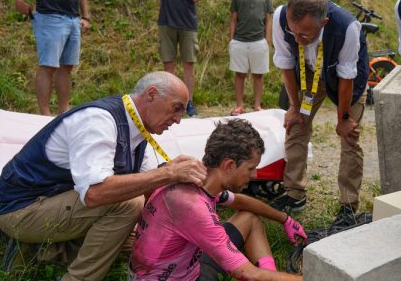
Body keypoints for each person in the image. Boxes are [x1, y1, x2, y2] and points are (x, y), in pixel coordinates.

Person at [0, 71, 207, 281]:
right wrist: (168, 173)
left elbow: (145, 189)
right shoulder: (99, 121)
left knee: (142, 243)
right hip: (20, 209)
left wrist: (180, 185)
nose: (179, 120)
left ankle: (43, 251)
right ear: (151, 94)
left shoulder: (138, 128)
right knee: (128, 206)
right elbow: (95, 194)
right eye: (177, 108)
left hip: (57, 200)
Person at [129, 118, 305, 281]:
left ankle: (272, 275)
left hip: (184, 266)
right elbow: (249, 274)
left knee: (249, 219)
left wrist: (285, 219)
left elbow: (240, 202)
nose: (254, 175)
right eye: (251, 168)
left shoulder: (197, 177)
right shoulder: (193, 207)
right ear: (229, 165)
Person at [270, 0, 369, 226]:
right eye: (293, 32)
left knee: (349, 137)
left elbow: (346, 77)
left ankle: (348, 204)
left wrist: (344, 118)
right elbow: (285, 62)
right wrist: (295, 106)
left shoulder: (347, 27)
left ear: (323, 22)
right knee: (295, 125)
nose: (297, 39)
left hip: (345, 76)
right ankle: (294, 193)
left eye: (304, 35)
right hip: (309, 74)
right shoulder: (280, 16)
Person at [146, 0, 204, 117]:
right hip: (167, 21)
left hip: (188, 23)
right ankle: (170, 101)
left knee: (188, 64)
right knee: (168, 64)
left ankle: (188, 101)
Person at [229, 0, 274, 115]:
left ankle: (257, 105)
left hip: (259, 41)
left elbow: (269, 20)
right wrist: (232, 39)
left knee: (258, 75)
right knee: (240, 74)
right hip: (240, 42)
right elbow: (233, 20)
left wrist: (267, 39)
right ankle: (239, 105)